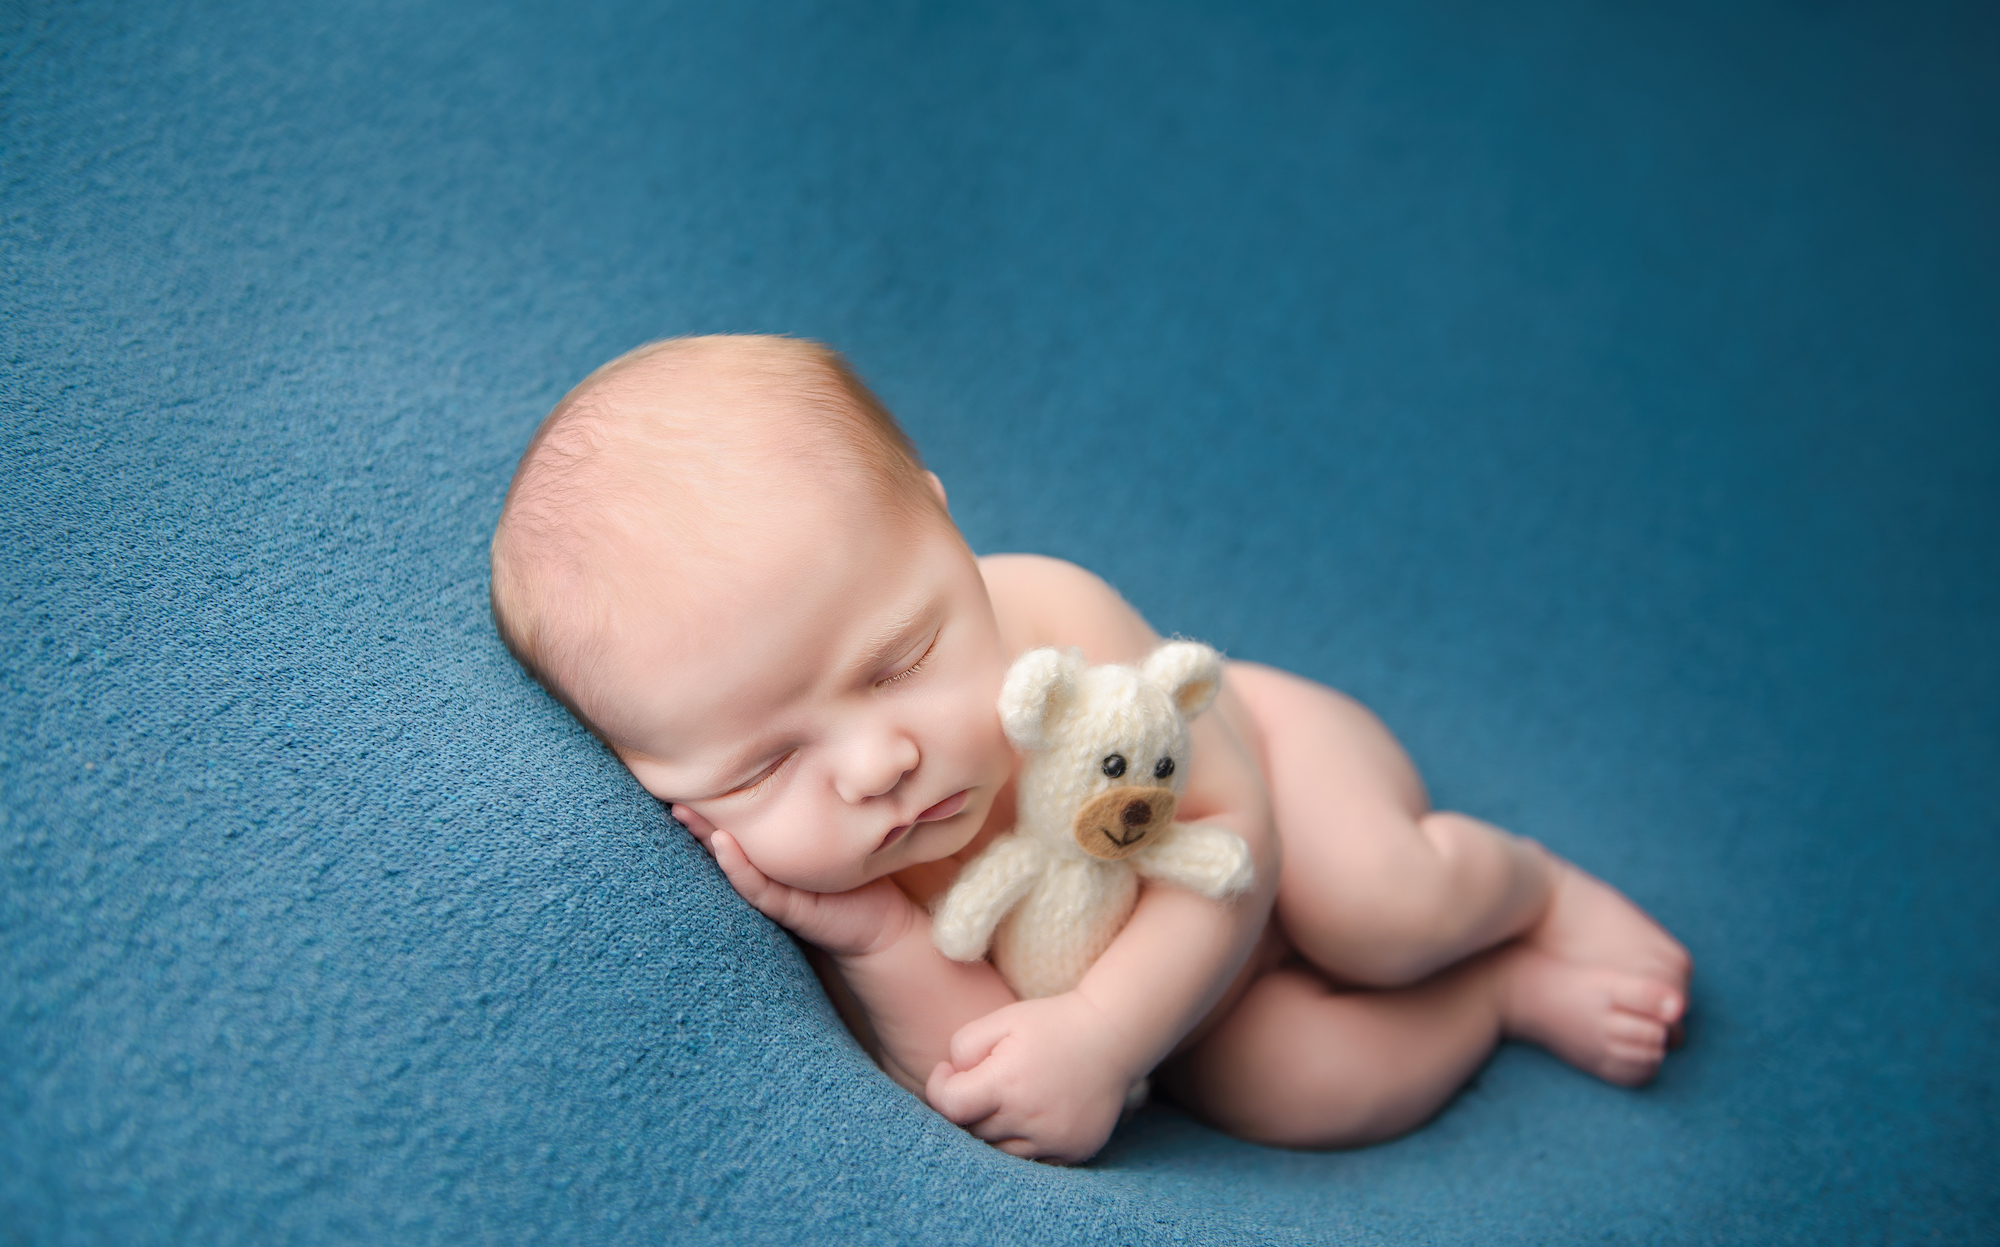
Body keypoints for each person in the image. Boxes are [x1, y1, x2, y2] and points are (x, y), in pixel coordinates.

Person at [488, 334, 1692, 1164]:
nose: (874, 767)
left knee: (1376, 902)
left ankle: (1527, 887)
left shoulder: (1054, 618)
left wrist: (1111, 1039)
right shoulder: (822, 871)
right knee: (1290, 1092)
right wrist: (880, 938)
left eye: (899, 659)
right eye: (759, 767)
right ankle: (1497, 997)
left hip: (1263, 784)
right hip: (1201, 1011)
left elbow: (1231, 835)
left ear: (945, 527)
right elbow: (969, 1063)